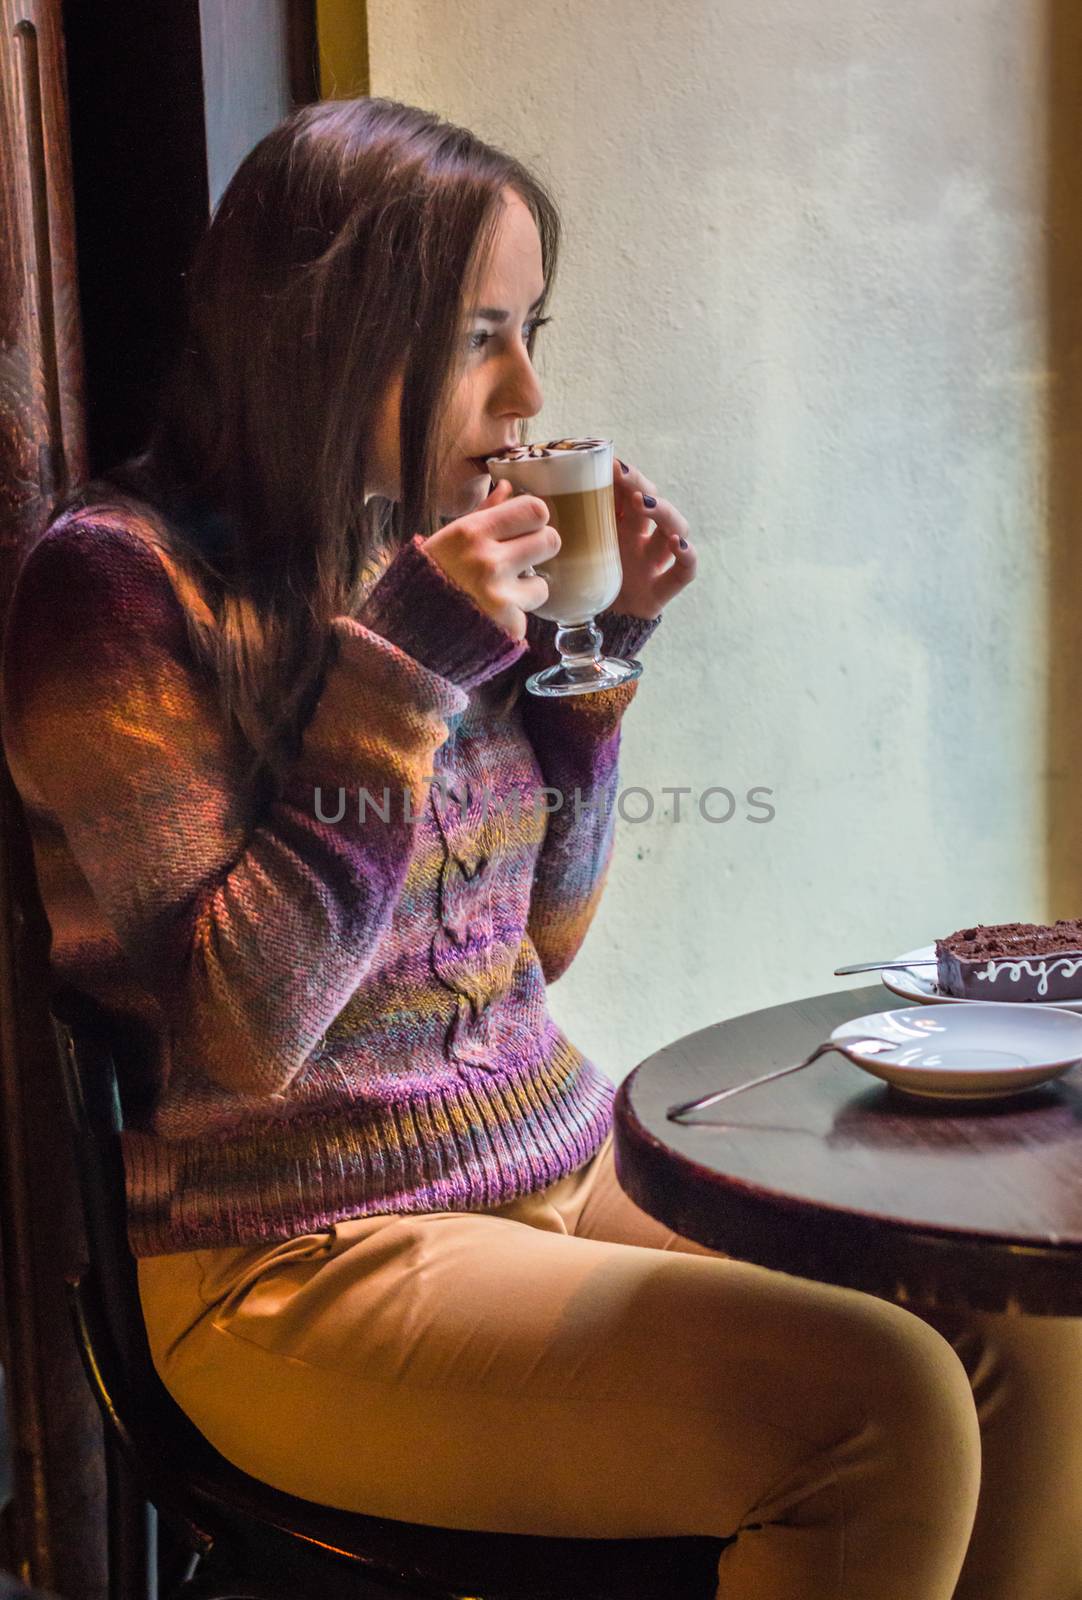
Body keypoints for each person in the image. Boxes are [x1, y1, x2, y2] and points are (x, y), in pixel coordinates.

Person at [1, 96, 1078, 1600]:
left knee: (1014, 1341)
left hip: (548, 1185)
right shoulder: (118, 591)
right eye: (476, 336)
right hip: (289, 1261)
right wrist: (403, 678)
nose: (527, 390)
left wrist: (594, 667)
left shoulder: (417, 565)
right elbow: (247, 1031)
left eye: (530, 328)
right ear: (323, 334)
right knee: (877, 1406)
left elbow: (538, 945)